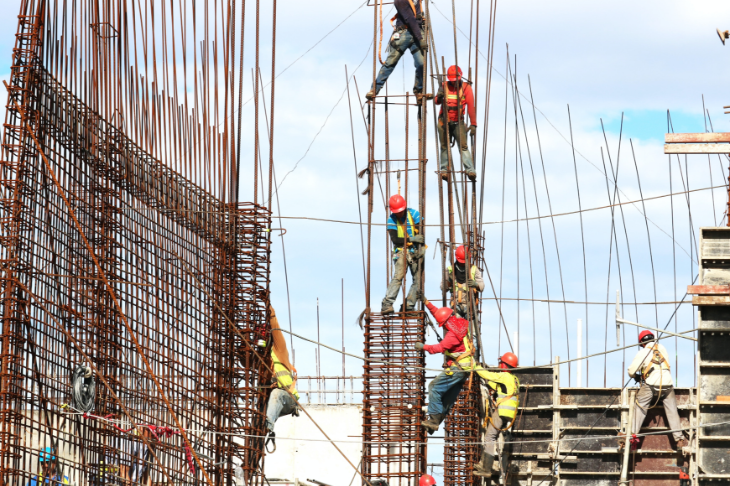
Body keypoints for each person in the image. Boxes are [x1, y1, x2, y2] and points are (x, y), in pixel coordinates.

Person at [416, 296, 475, 434]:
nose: (441, 326)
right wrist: (427, 303)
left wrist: (422, 346)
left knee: (434, 387)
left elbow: (438, 348)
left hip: (457, 369)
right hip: (464, 370)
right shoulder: (461, 323)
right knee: (447, 398)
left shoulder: (452, 336)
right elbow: (440, 314)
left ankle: (434, 420)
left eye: (442, 324)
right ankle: (435, 423)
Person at [625, 330, 687, 450]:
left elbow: (631, 371)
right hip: (667, 385)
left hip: (651, 385)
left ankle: (632, 434)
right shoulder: (662, 349)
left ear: (642, 343)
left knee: (640, 406)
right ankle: (679, 438)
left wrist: (636, 377)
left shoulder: (644, 351)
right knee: (672, 411)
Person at [365, 0, 428, 101]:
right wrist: (420, 39)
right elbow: (410, 19)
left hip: (418, 32)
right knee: (390, 63)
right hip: (404, 33)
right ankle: (374, 90)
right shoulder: (400, 1)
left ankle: (419, 91)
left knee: (421, 63)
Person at [473, 353, 520, 478]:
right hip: (509, 413)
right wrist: (487, 383)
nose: (499, 365)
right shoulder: (514, 379)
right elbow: (499, 387)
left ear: (504, 364)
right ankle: (483, 464)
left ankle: (486, 468)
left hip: (502, 411)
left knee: (490, 437)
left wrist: (475, 366)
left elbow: (488, 375)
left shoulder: (504, 375)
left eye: (501, 363)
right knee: (491, 436)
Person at [382, 195, 424, 314]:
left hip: (415, 251)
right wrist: (412, 238)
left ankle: (408, 306)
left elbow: (421, 233)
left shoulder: (414, 214)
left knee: (418, 280)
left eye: (401, 211)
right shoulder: (391, 220)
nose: (399, 214)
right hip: (401, 251)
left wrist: (422, 247)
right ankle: (387, 304)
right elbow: (395, 239)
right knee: (398, 277)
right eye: (397, 212)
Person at [435, 66, 477, 181]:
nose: (453, 83)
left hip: (458, 122)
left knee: (463, 147)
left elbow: (471, 106)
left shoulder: (466, 88)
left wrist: (473, 124)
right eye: (452, 80)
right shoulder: (444, 86)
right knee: (444, 147)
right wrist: (439, 96)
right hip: (444, 121)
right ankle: (444, 170)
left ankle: (470, 170)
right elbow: (436, 102)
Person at [264, 306, 300, 438]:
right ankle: (263, 428)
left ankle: (268, 425)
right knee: (262, 404)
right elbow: (246, 362)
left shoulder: (279, 351)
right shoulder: (263, 360)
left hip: (289, 399)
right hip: (274, 403)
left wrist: (270, 311)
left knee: (277, 393)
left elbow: (276, 329)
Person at [441, 245, 484, 318]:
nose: (463, 263)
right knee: (458, 327)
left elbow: (481, 286)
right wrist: (449, 281)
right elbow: (443, 288)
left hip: (470, 306)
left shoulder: (473, 269)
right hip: (456, 306)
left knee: (471, 328)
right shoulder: (450, 270)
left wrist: (475, 285)